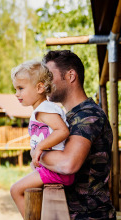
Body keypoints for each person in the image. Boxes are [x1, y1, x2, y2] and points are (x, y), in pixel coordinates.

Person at [36, 50, 116, 219]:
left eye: (49, 76)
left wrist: (38, 153)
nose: (45, 82)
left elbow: (67, 164)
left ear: (71, 76)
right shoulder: (69, 117)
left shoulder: (88, 115)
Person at [9, 60, 75, 218]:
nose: (17, 94)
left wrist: (39, 148)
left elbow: (62, 131)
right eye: (16, 89)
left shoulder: (44, 110)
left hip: (56, 171)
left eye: (21, 88)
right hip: (51, 169)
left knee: (15, 190)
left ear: (39, 88)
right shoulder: (43, 109)